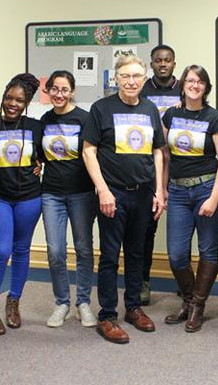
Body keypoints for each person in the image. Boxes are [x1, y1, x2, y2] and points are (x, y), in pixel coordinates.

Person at [82, 54, 165, 344]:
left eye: (136, 77)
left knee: (136, 253)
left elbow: (157, 151)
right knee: (109, 257)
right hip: (112, 194)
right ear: (116, 78)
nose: (131, 81)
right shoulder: (101, 108)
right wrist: (102, 190)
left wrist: (159, 190)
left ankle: (132, 307)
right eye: (125, 76)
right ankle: (107, 315)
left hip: (142, 193)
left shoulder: (150, 109)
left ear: (144, 79)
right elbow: (89, 151)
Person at [162, 65, 218, 332]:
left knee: (207, 250)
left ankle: (197, 307)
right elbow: (164, 154)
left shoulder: (215, 118)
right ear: (182, 84)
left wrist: (214, 197)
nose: (195, 85)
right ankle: (189, 300)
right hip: (178, 191)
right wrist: (163, 187)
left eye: (200, 81)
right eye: (190, 80)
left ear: (206, 87)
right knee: (177, 255)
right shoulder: (171, 115)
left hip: (207, 188)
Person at [0, 73, 42, 335]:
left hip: (29, 198)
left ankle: (13, 301)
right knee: (1, 251)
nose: (12, 103)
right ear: (2, 98)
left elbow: (50, 154)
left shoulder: (37, 127)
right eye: (8, 98)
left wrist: (40, 164)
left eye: (19, 99)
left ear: (26, 102)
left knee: (22, 250)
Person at [40, 70, 97, 328]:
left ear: (72, 91)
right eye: (55, 89)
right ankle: (62, 302)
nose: (59, 94)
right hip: (51, 193)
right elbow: (39, 154)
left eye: (64, 90)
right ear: (48, 91)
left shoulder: (85, 119)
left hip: (82, 193)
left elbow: (92, 155)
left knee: (84, 249)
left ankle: (83, 302)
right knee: (55, 251)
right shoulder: (44, 119)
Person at [139, 44, 181, 305]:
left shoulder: (184, 89)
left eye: (167, 60)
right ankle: (143, 281)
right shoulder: (141, 91)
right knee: (146, 230)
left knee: (183, 228)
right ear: (151, 64)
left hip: (181, 166)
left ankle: (184, 281)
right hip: (149, 166)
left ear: (174, 63)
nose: (163, 64)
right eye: (158, 60)